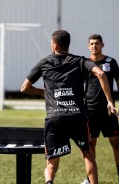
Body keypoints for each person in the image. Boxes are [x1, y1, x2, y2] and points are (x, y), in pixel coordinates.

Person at [20, 30, 118, 184]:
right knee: (87, 153)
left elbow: (24, 88)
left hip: (55, 117)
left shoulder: (44, 62)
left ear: (54, 45)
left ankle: (49, 182)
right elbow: (100, 74)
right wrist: (110, 102)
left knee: (51, 161)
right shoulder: (79, 61)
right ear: (68, 44)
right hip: (78, 116)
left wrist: (44, 93)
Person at [81, 34, 119, 184]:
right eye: (91, 44)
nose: (94, 46)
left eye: (97, 43)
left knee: (116, 142)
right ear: (88, 46)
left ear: (102, 45)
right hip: (89, 110)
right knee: (90, 144)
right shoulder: (85, 63)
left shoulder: (111, 62)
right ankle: (89, 179)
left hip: (108, 110)